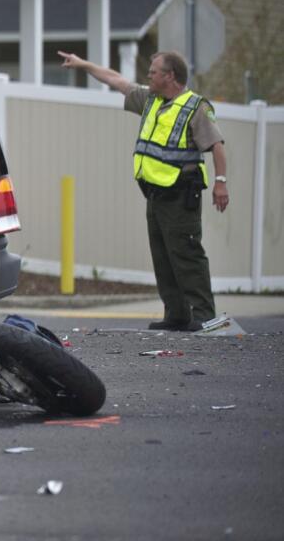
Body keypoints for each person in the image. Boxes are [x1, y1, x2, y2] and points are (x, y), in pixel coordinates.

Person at [58, 50, 229, 331]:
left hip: (181, 195)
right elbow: (116, 80)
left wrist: (220, 182)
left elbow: (217, 145)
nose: (148, 76)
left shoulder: (194, 107)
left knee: (187, 255)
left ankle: (204, 317)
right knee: (162, 257)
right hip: (155, 195)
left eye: (153, 72)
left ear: (169, 76)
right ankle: (176, 315)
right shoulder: (151, 100)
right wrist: (83, 64)